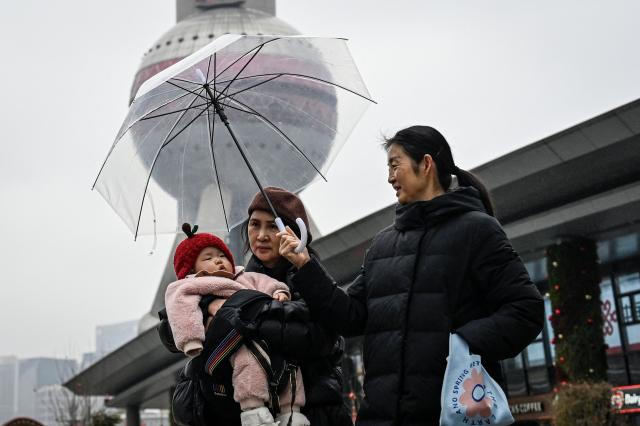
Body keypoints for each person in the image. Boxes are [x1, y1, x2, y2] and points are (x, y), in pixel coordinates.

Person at [276, 126, 546, 426]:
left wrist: (462, 343)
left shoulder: (477, 230)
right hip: (379, 417)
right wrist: (305, 266)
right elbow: (350, 316)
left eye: (395, 164)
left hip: (452, 413)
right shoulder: (383, 244)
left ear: (426, 164)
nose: (390, 177)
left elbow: (526, 310)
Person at [158, 188, 352, 426]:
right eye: (254, 224)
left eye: (272, 226)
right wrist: (208, 304)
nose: (261, 235)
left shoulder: (314, 283)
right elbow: (171, 326)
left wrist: (237, 313)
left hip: (313, 412)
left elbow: (316, 339)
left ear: (295, 232)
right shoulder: (232, 279)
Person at [165, 224, 309, 426]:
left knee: (289, 367)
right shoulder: (190, 286)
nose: (218, 260)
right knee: (248, 362)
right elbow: (180, 308)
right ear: (191, 269)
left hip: (264, 338)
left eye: (222, 256)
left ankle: (291, 413)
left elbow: (268, 283)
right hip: (232, 345)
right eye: (208, 258)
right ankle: (254, 411)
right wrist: (191, 339)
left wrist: (280, 292)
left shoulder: (245, 276)